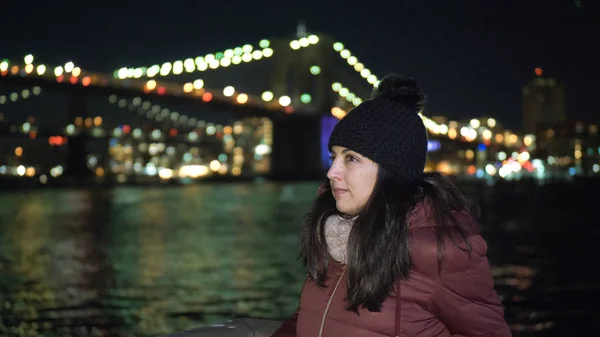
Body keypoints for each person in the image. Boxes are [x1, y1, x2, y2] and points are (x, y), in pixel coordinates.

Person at [271, 74, 512, 337]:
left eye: (351, 158)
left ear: (392, 171)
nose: (332, 172)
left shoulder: (439, 251)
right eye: (334, 157)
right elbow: (312, 316)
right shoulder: (331, 236)